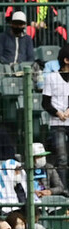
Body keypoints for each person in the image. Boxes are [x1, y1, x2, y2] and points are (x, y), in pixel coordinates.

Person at [43, 45, 69, 179]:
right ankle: (64, 190)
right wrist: (59, 113)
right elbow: (45, 103)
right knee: (62, 158)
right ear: (66, 60)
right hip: (57, 123)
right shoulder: (52, 77)